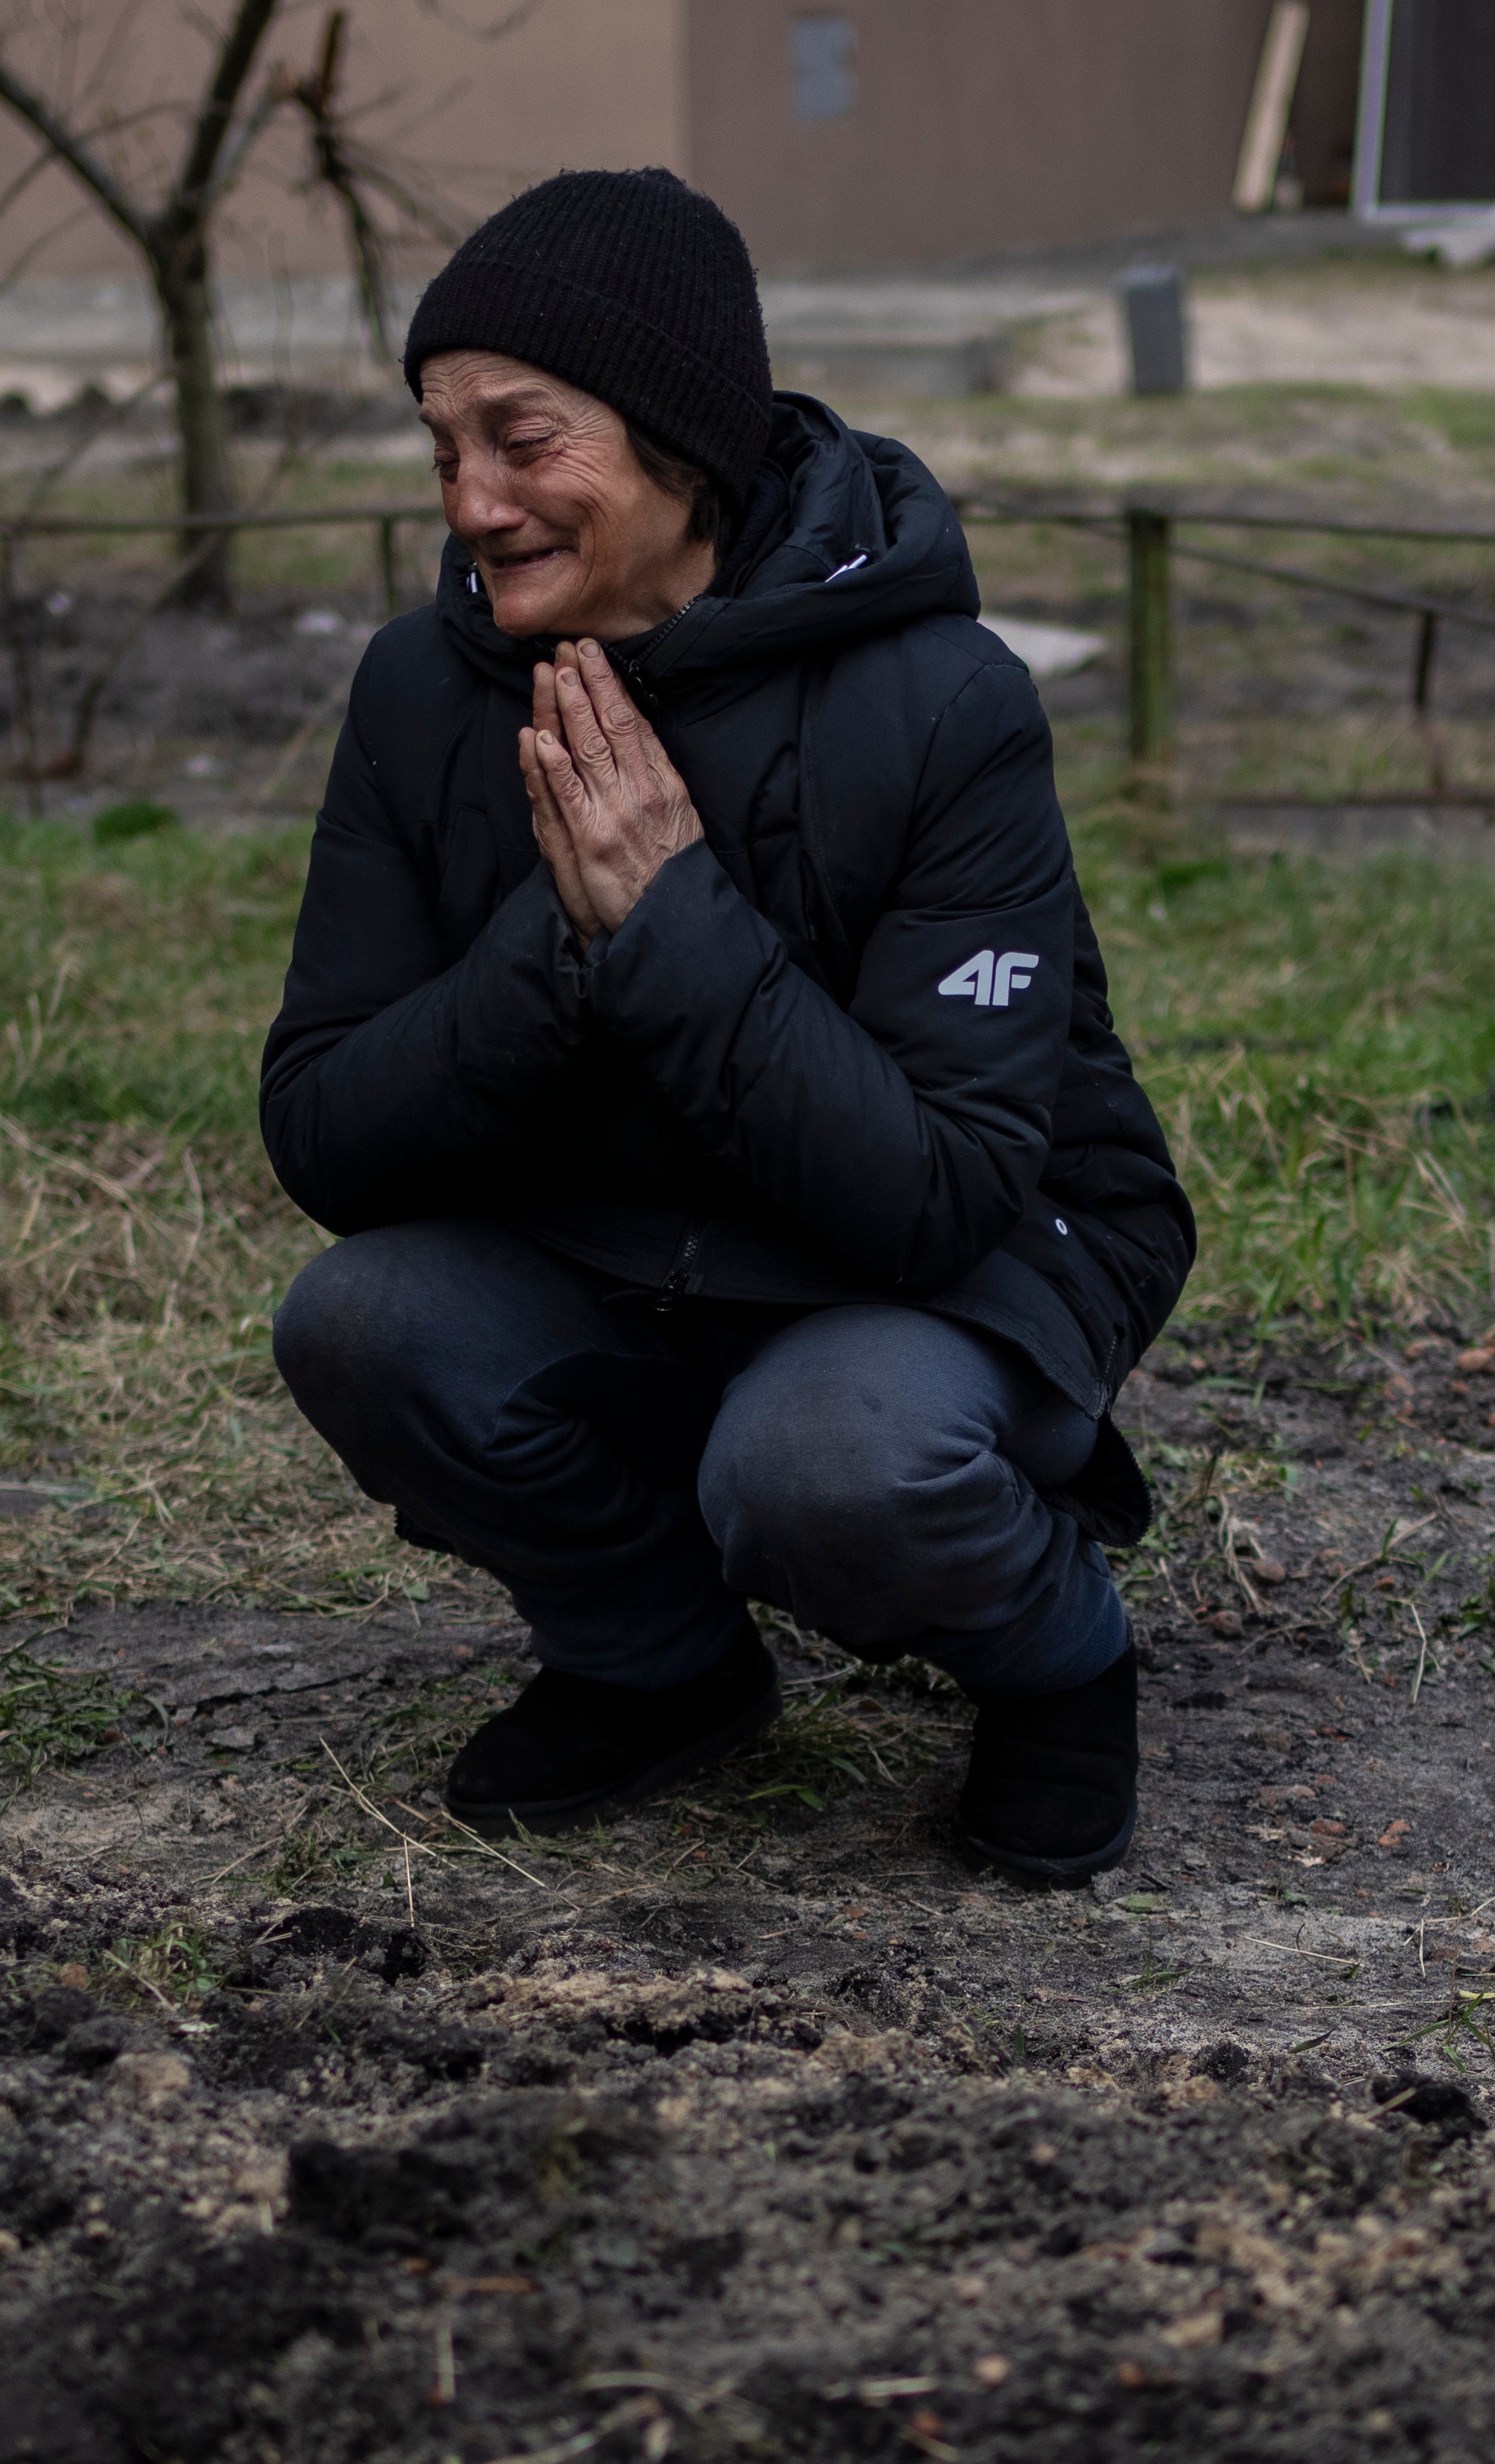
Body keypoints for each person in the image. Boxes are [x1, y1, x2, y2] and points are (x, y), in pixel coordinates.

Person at [260, 168, 1194, 1884]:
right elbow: (323, 1128)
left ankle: (1059, 1658)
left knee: (824, 1462)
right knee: (364, 1319)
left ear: (681, 444)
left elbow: (943, 1194)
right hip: (619, 1248)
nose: (469, 500)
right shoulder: (421, 692)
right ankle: (657, 1660)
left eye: (522, 440)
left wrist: (670, 923)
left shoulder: (939, 703)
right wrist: (567, 944)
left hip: (942, 1272)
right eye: (438, 444)